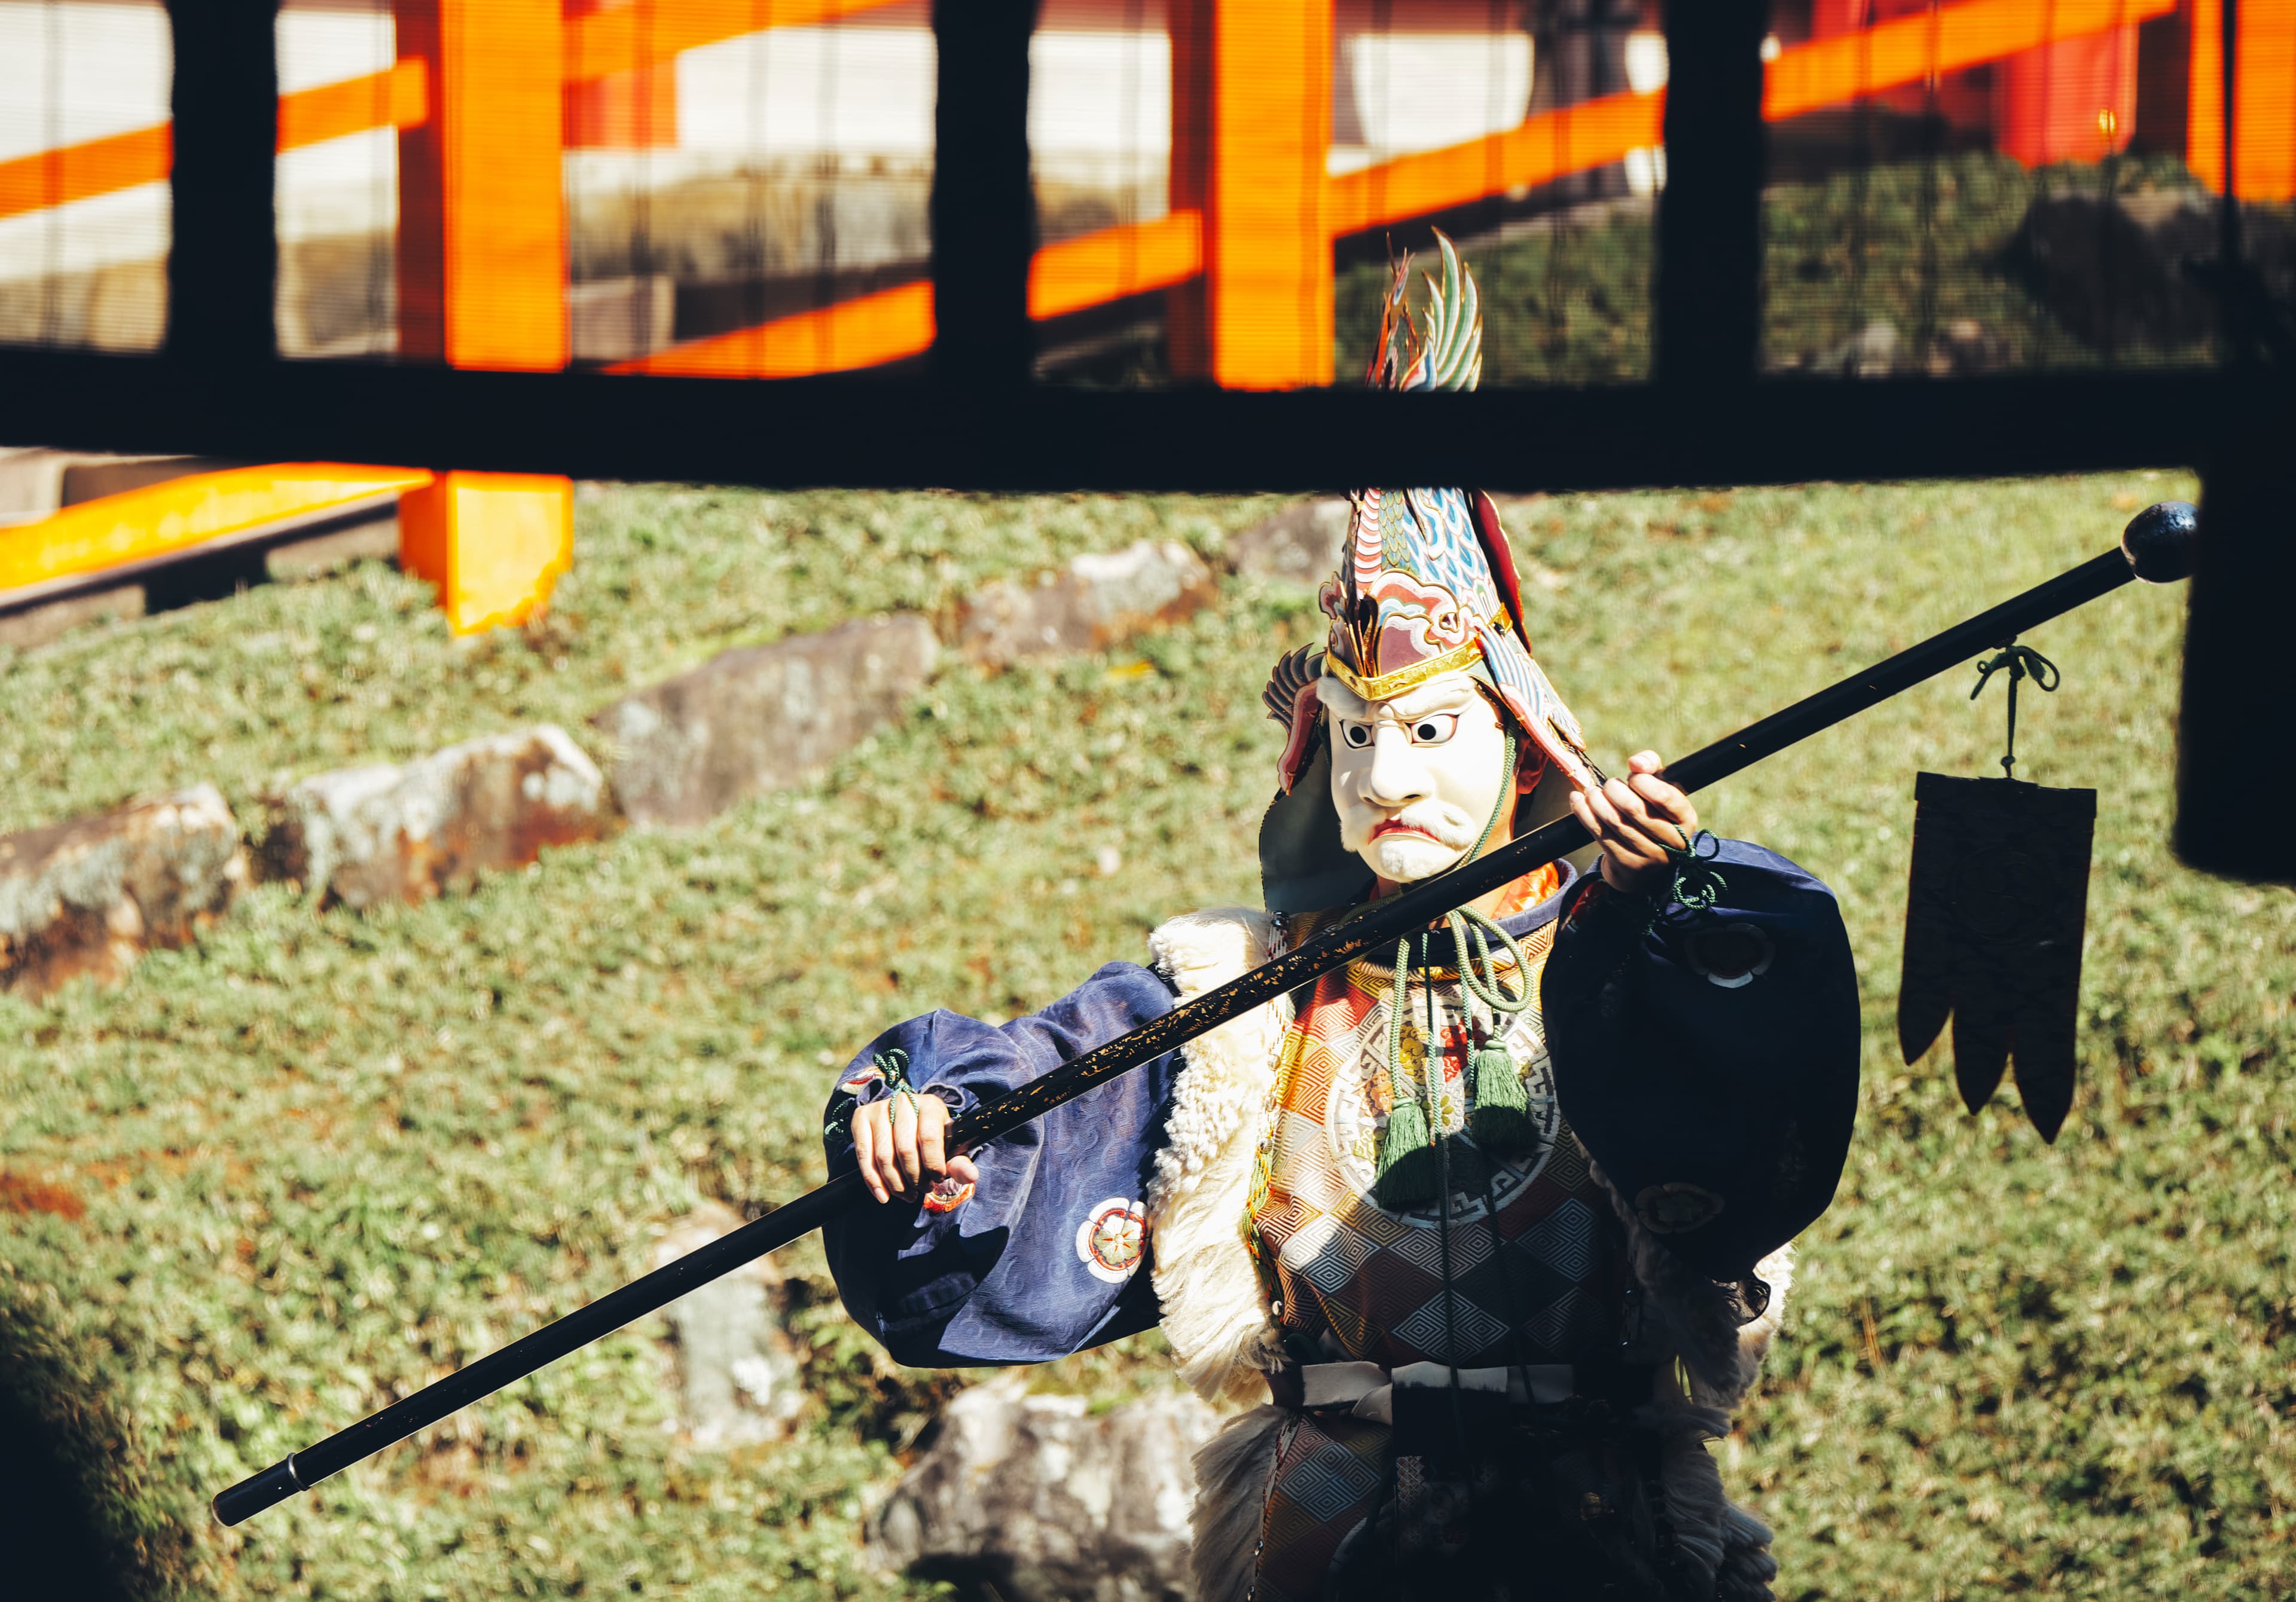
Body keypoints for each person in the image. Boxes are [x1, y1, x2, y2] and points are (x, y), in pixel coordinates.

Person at [822, 239, 1860, 1602]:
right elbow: (1048, 1082)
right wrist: (928, 1120)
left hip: (1596, 1512)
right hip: (1326, 1522)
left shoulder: (1610, 943)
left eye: (1431, 728)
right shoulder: (1248, 987)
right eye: (1359, 736)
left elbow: (1744, 1107)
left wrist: (1668, 907)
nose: (1389, 777)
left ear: (1524, 734)